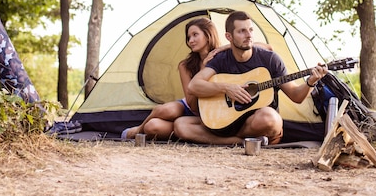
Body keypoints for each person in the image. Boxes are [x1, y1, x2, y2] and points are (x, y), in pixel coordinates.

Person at [173, 11, 328, 146]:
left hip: (254, 122)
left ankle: (239, 138)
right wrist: (227, 88)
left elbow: (296, 96)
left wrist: (311, 82)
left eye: (251, 30)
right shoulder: (220, 59)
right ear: (229, 36)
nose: (248, 35)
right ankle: (239, 142)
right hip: (226, 122)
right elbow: (194, 86)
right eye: (241, 31)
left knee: (271, 119)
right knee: (180, 125)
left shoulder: (270, 59)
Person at [121, 17, 222, 140]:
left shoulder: (223, 59)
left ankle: (183, 131)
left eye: (195, 35)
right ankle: (137, 131)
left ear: (208, 35)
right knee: (167, 111)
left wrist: (224, 48)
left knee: (153, 127)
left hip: (208, 113)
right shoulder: (185, 66)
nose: (191, 41)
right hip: (190, 107)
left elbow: (250, 46)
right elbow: (192, 104)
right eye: (189, 37)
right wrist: (203, 70)